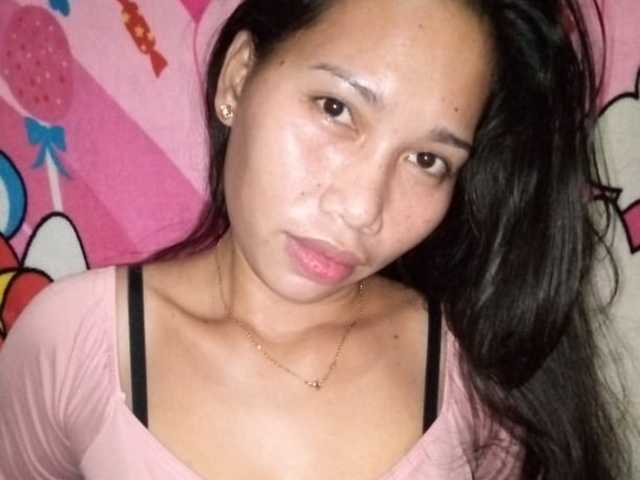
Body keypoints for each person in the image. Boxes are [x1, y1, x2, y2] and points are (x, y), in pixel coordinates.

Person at [0, 0, 632, 478]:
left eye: (427, 160)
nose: (361, 208)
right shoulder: (75, 342)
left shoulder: (472, 379)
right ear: (238, 78)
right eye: (336, 109)